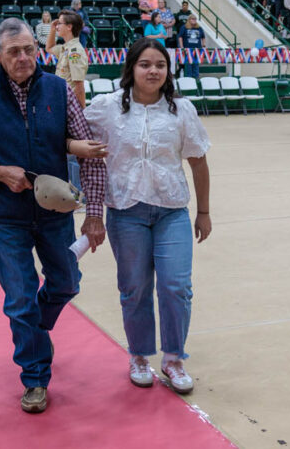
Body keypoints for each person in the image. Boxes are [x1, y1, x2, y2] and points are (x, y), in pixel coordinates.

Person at [0, 18, 107, 414]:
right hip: (5, 215)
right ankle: (35, 377)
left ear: (38, 49)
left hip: (54, 212)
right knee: (20, 298)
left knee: (67, 282)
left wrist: (94, 213)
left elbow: (86, 151)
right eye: (13, 52)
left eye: (28, 50)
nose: (23, 58)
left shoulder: (59, 89)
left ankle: (37, 332)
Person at [82, 37, 211, 394]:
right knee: (135, 288)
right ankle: (139, 354)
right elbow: (73, 126)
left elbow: (198, 161)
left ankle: (173, 358)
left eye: (160, 65)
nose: (153, 71)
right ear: (131, 69)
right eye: (145, 64)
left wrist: (203, 211)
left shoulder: (181, 110)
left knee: (176, 286)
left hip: (171, 211)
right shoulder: (108, 107)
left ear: (168, 71)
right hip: (126, 211)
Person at [47, 10, 89, 193]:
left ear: (70, 27)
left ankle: (79, 193)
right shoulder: (65, 48)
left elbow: (79, 84)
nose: (57, 26)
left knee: (73, 153)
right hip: (62, 106)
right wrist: (51, 28)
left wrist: (81, 111)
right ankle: (73, 190)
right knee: (66, 151)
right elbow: (49, 48)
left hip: (71, 108)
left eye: (60, 24)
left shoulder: (74, 51)